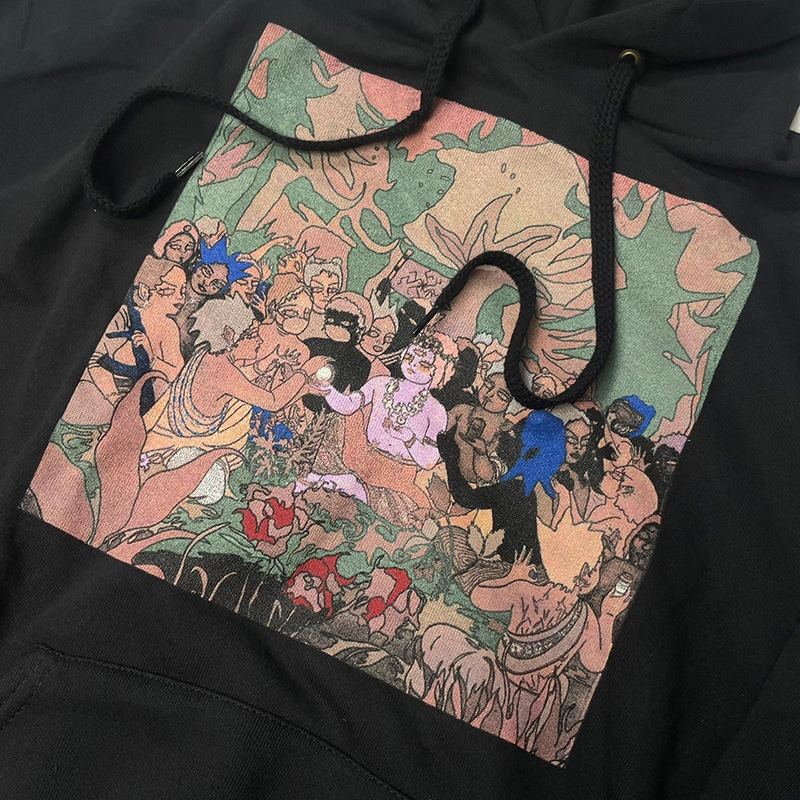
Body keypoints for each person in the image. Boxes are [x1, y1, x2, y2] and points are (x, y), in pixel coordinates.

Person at [317, 333, 456, 509]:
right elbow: (349, 405)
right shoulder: (380, 383)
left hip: (396, 476)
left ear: (437, 371)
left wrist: (409, 438)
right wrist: (328, 391)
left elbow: (429, 461)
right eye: (409, 357)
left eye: (423, 364)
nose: (412, 365)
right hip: (357, 458)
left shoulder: (436, 411)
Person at [302, 256, 344, 340]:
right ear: (308, 289)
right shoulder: (302, 315)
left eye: (332, 290)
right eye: (318, 289)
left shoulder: (341, 319)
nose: (325, 294)